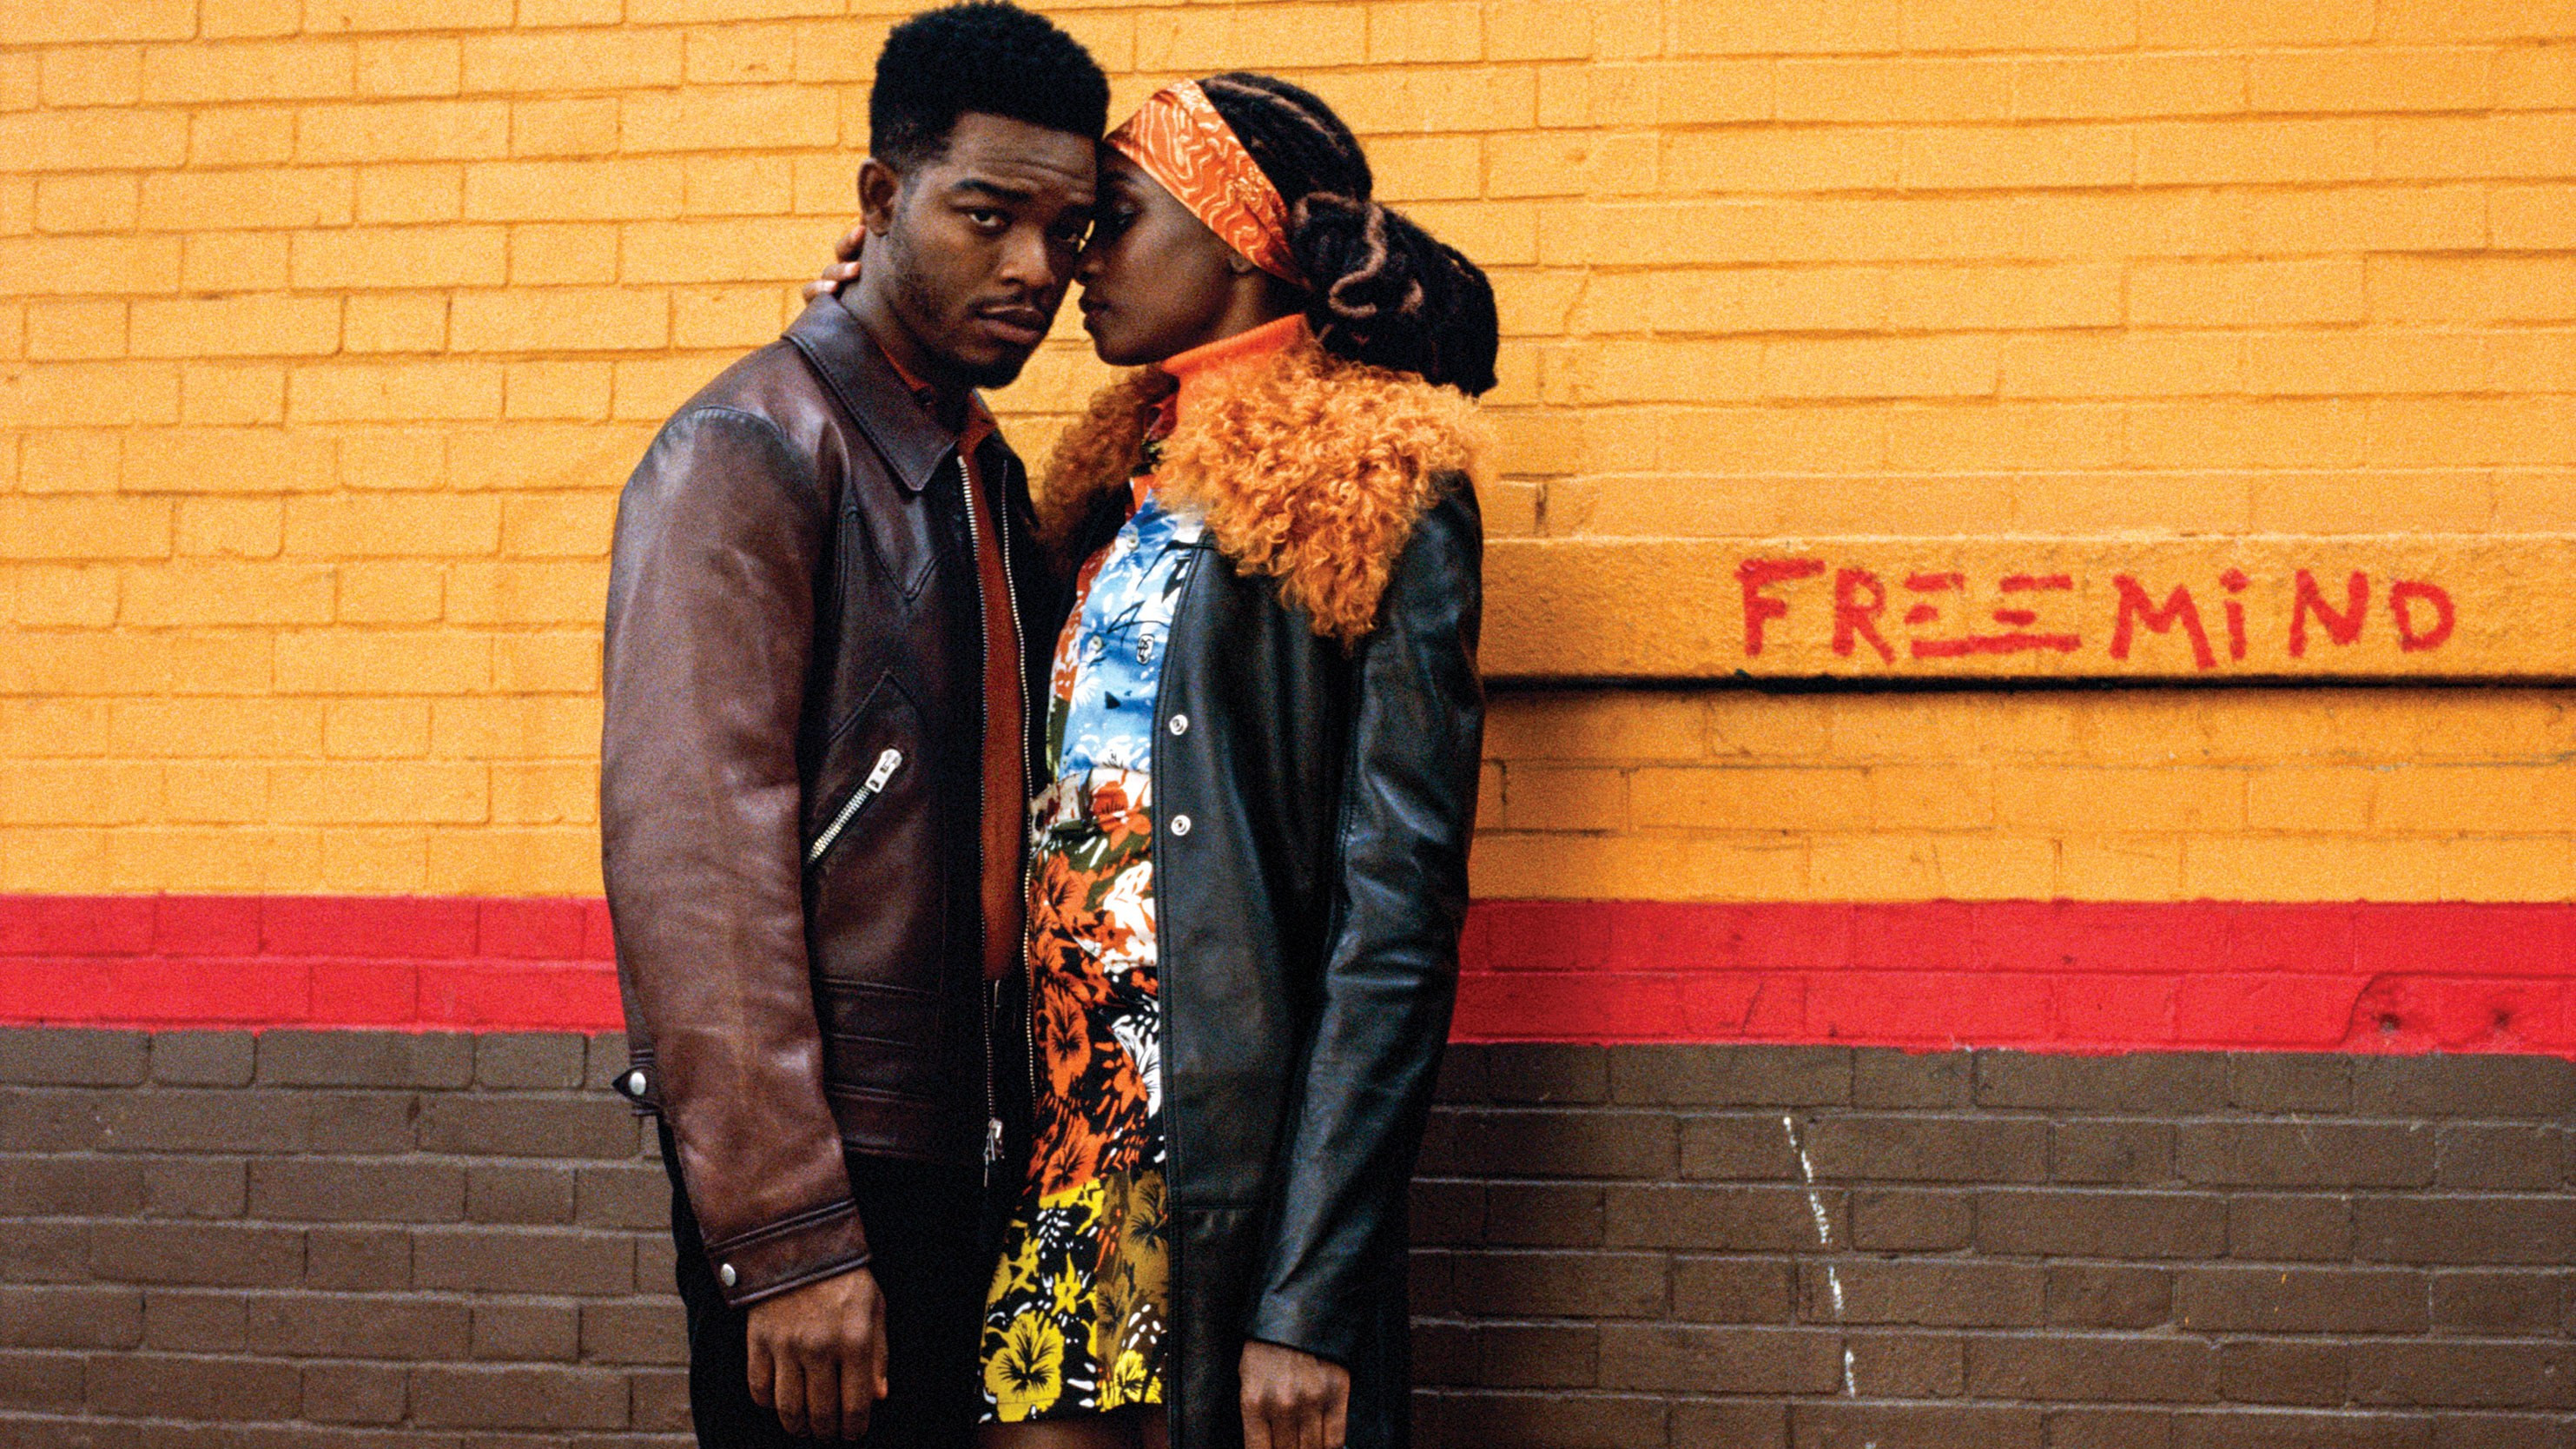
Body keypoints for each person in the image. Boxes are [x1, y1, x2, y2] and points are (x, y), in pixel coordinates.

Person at [819, 70, 1497, 1449]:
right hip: (1069, 1135)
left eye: (1114, 220)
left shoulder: (1372, 483)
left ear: (1240, 238)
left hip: (1219, 1165)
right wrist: (884, 343)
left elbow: (1394, 924)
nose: (1078, 263)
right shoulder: (1105, 484)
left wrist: (1307, 1299)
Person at [599, 5, 1106, 1445]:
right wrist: (788, 1235)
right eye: (986, 216)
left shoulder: (972, 472)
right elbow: (695, 868)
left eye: (1067, 232)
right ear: (880, 199)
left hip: (976, 1147)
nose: (1034, 268)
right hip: (840, 1172)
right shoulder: (749, 448)